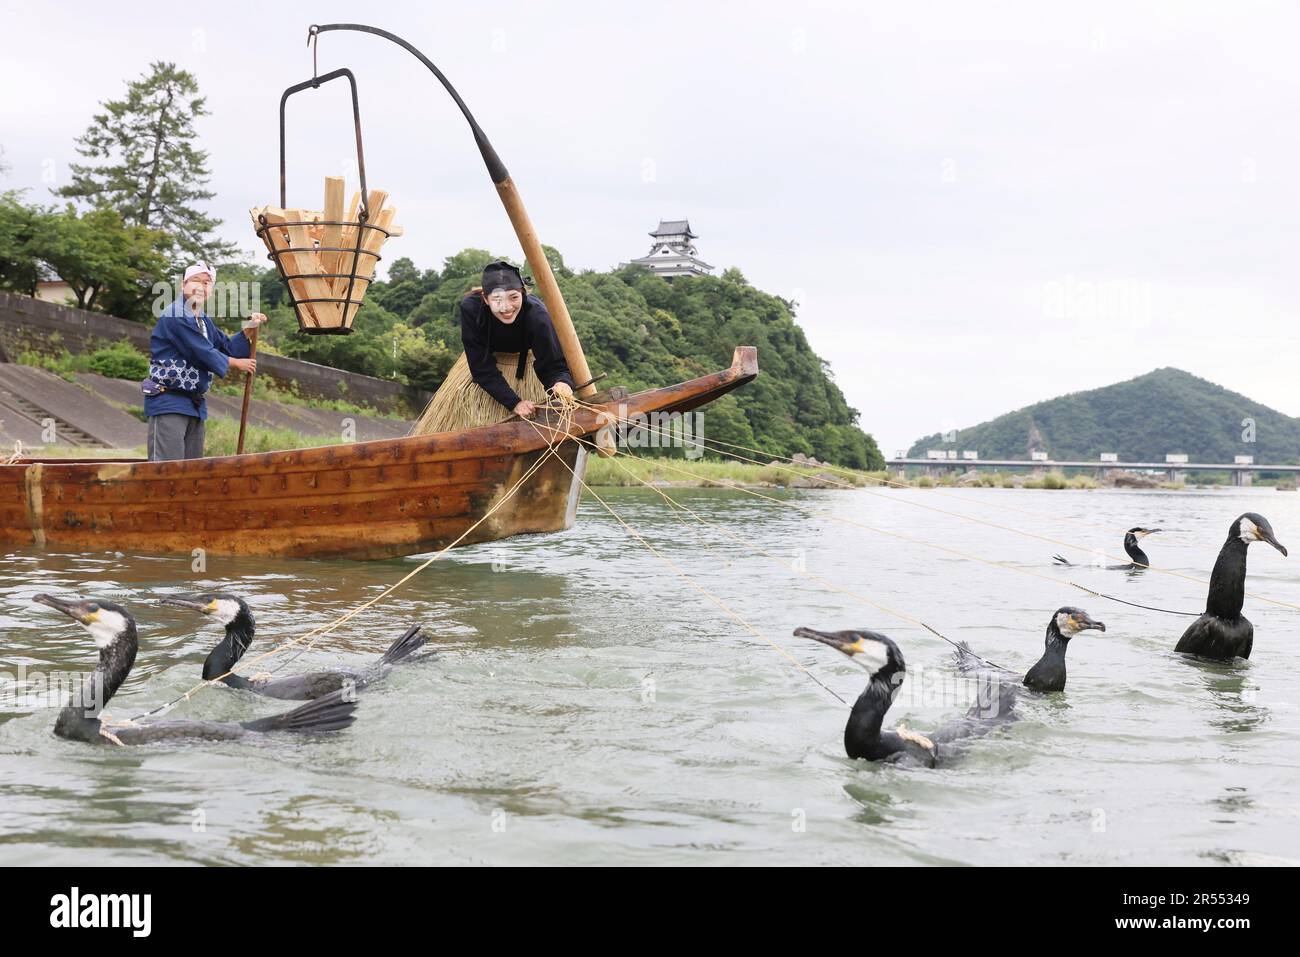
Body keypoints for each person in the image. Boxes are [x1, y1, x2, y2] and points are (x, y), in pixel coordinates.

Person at [143, 263, 267, 461]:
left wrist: (248, 330)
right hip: (169, 401)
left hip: (194, 404)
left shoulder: (203, 319)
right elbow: (201, 350)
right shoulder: (175, 314)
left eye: (207, 283)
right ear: (184, 285)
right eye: (196, 281)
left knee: (193, 470)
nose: (201, 287)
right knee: (167, 470)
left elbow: (226, 346)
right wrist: (236, 363)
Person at [459, 260, 574, 418]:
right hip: (486, 371)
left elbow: (554, 364)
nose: (506, 308)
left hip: (528, 367)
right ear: (485, 299)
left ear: (523, 293)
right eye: (497, 300)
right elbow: (480, 366)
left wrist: (561, 382)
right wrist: (514, 403)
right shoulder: (471, 309)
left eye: (513, 297)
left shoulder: (537, 315)